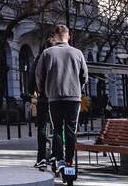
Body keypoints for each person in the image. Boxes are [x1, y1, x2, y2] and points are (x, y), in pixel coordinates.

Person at [35, 25, 88, 171]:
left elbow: (39, 76)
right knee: (71, 130)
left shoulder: (47, 53)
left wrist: (44, 90)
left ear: (55, 36)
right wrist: (77, 88)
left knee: (57, 128)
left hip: (54, 97)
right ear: (68, 36)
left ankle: (60, 159)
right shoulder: (78, 53)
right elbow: (84, 76)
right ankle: (70, 160)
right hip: (73, 97)